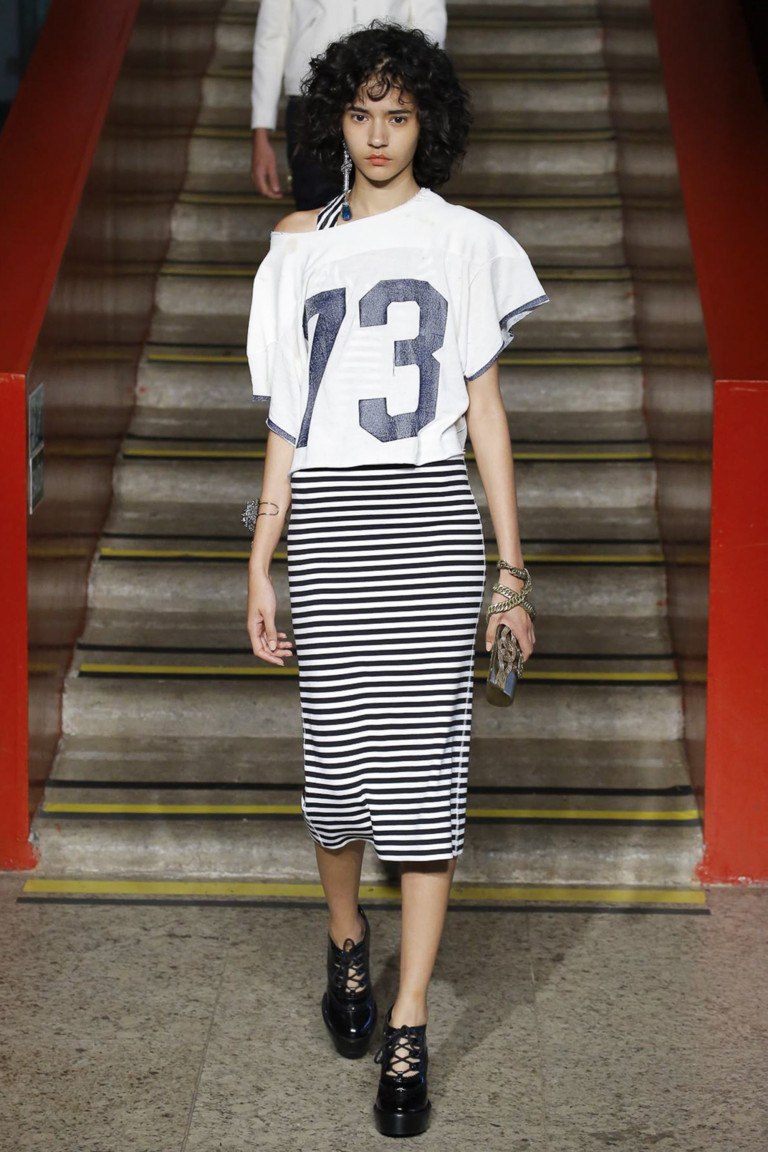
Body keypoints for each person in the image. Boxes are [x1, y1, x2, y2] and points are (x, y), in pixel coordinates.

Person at [245, 23, 547, 1138]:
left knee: (425, 787)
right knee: (335, 782)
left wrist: (510, 571)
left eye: (400, 114)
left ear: (429, 123)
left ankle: (409, 1021)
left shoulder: (469, 241)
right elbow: (287, 419)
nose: (379, 136)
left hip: (431, 527)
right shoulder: (297, 245)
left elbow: (487, 416)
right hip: (330, 528)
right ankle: (345, 938)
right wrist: (261, 556)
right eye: (362, 113)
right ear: (336, 118)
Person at [250, 0, 447, 206]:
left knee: (399, 210)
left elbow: (429, 21)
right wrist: (261, 130)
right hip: (313, 96)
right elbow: (272, 35)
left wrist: (418, 80)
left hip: (394, 94)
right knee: (318, 207)